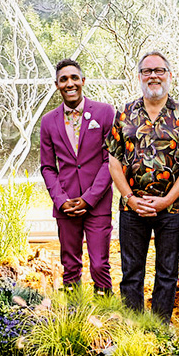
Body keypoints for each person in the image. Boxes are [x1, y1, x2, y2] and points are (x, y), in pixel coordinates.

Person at [107, 51, 179, 323]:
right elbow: (114, 160)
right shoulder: (124, 114)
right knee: (131, 272)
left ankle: (159, 329)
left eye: (159, 70)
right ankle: (134, 330)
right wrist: (130, 198)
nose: (153, 76)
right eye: (147, 71)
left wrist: (168, 200)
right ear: (139, 77)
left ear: (170, 75)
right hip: (131, 207)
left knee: (167, 272)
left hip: (171, 210)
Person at [39, 59, 116, 294]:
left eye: (74, 78)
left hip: (97, 202)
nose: (69, 83)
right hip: (66, 204)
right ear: (56, 85)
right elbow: (47, 167)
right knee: (70, 265)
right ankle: (74, 314)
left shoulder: (104, 113)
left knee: (100, 263)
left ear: (83, 81)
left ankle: (104, 312)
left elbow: (109, 161)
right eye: (64, 79)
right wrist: (61, 200)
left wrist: (90, 198)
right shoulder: (48, 121)